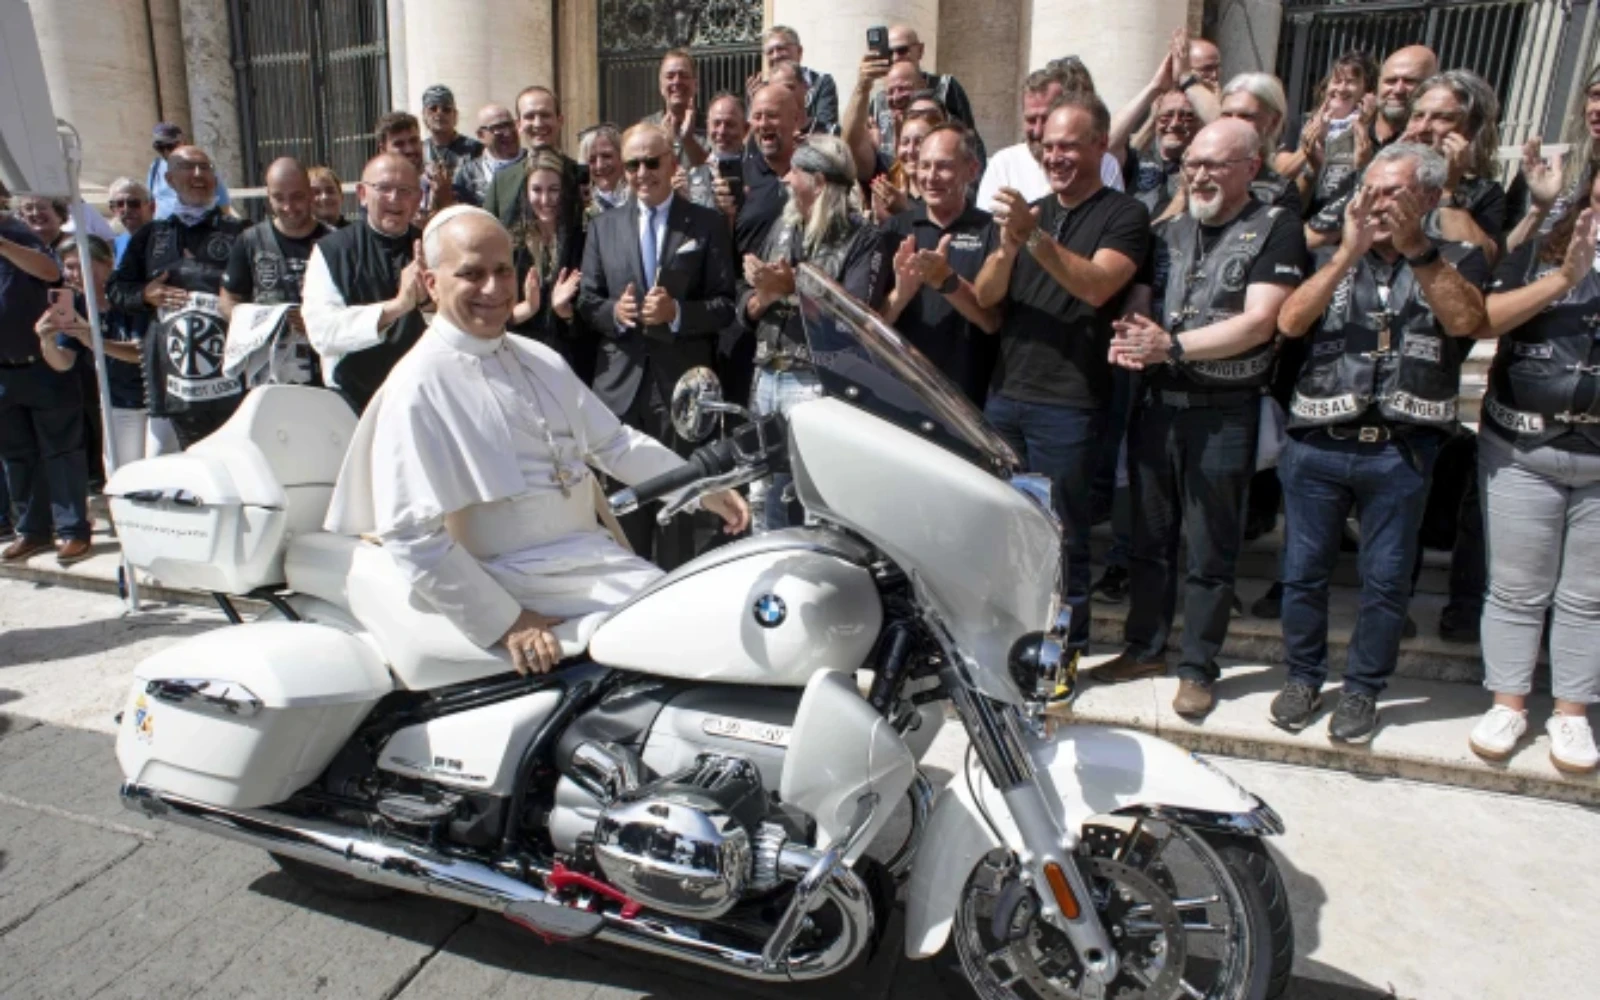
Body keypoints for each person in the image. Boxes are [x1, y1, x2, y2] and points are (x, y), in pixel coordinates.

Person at [324, 206, 748, 674]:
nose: (493, 288)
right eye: (471, 273)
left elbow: (616, 445)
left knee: (715, 610)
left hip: (588, 559)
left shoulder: (537, 357)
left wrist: (700, 489)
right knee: (687, 627)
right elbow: (410, 536)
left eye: (503, 270)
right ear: (430, 283)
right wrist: (507, 622)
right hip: (511, 577)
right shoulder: (418, 384)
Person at [1269, 143, 1490, 742]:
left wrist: (1417, 249)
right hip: (1319, 440)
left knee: (1388, 580)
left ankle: (1364, 689)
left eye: (1394, 191)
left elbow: (1465, 322)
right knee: (1304, 571)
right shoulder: (1331, 255)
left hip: (1400, 448)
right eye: (1372, 188)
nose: (1377, 201)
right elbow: (1289, 323)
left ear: (1430, 196)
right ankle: (1303, 676)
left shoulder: (1459, 257)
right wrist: (1347, 253)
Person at [1096, 119, 1306, 719]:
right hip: (1157, 406)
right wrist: (1131, 333)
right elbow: (1141, 298)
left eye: (1215, 163)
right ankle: (1144, 648)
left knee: (1212, 547)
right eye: (1192, 163)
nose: (1200, 174)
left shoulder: (1275, 227)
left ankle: (1197, 667)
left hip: (1223, 411)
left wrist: (1175, 348)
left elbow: (1262, 320)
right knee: (1147, 539)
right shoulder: (1167, 231)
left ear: (1251, 166)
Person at [972, 95, 1151, 671]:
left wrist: (1034, 239)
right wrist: (1007, 246)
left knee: (1064, 535)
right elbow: (986, 297)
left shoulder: (1125, 214)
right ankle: (1013, 641)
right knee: (1007, 531)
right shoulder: (1033, 212)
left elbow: (1098, 286)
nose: (1056, 156)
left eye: (1069, 144)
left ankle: (1063, 655)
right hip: (1006, 397)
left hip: (1069, 402)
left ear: (1102, 144)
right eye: (1048, 146)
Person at [1468, 173, 1600, 772]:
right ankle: (1509, 703)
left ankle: (1572, 714)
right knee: (1517, 585)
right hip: (1524, 443)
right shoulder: (1544, 243)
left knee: (1588, 596)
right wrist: (1565, 278)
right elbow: (1486, 318)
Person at [577, 123, 738, 568]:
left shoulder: (704, 224)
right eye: (632, 164)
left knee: (683, 509)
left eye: (652, 162)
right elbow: (587, 301)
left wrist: (679, 315)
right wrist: (616, 313)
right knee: (623, 512)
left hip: (681, 390)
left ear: (672, 162)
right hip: (620, 394)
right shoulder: (603, 227)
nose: (642, 172)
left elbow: (727, 305)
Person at [738, 135, 886, 530]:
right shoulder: (781, 228)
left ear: (819, 182)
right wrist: (761, 295)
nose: (785, 180)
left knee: (814, 503)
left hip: (815, 383)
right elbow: (748, 304)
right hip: (767, 375)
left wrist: (792, 289)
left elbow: (852, 320)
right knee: (761, 496)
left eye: (796, 172)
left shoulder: (862, 237)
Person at [108, 145, 248, 448]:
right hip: (174, 385)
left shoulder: (241, 232)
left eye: (205, 167)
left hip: (232, 383)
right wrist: (145, 294)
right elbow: (117, 289)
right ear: (170, 179)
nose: (198, 175)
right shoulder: (150, 236)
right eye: (187, 167)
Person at [1310, 69, 1502, 260]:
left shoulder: (1483, 191)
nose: (1422, 128)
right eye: (1418, 116)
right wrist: (1379, 172)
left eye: (1442, 118)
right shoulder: (1372, 176)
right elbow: (1312, 239)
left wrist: (1448, 191)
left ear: (1471, 129)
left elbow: (1481, 259)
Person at [880, 124, 1000, 403]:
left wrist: (946, 281)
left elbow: (992, 321)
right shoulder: (894, 231)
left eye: (943, 167)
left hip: (969, 397)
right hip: (904, 392)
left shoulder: (991, 231)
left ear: (972, 170)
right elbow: (872, 326)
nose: (931, 177)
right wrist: (900, 295)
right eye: (924, 166)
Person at [301, 153, 428, 412]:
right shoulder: (332, 251)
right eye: (384, 188)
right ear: (361, 193)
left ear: (417, 199)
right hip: (353, 399)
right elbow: (323, 333)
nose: (394, 198)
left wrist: (428, 303)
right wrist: (398, 306)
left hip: (421, 394)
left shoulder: (431, 247)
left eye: (405, 190)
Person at [0, 190, 85, 564]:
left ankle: (71, 530)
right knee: (17, 455)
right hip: (4, 370)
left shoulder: (21, 235)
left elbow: (50, 271)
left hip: (44, 364)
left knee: (61, 451)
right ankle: (32, 530)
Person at [38, 235, 148, 476]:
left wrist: (94, 340)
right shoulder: (74, 302)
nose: (76, 274)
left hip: (153, 399)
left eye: (84, 265)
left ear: (108, 263)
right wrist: (46, 340)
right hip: (116, 401)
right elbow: (64, 362)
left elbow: (142, 353)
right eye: (69, 267)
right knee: (121, 475)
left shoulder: (130, 296)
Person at [219, 158, 331, 386]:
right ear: (268, 196)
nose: (288, 207)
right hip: (268, 376)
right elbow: (228, 298)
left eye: (297, 197)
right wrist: (260, 324)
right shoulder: (250, 241)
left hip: (325, 372)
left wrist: (316, 321)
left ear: (310, 194)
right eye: (279, 198)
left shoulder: (336, 241)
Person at [976, 64, 1126, 212]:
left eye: (1046, 118)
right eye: (1031, 120)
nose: (1037, 131)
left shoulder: (1103, 164)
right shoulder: (1003, 164)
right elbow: (988, 230)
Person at [510, 149, 589, 382]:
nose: (545, 200)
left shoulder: (583, 241)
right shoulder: (512, 244)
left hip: (570, 365)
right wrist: (528, 307)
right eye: (537, 190)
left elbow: (594, 319)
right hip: (522, 363)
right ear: (526, 192)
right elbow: (497, 316)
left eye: (554, 190)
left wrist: (566, 312)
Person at [868, 25, 984, 168]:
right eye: (889, 53)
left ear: (920, 50)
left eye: (902, 50)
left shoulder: (945, 87)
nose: (895, 57)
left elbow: (970, 142)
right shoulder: (878, 101)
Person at [1282, 51, 1380, 218]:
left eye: (1350, 82)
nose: (1341, 89)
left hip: (1340, 220)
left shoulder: (1373, 130)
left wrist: (1364, 127)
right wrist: (1310, 146)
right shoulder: (1302, 122)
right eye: (1336, 81)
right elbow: (1282, 172)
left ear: (1367, 90)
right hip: (1297, 214)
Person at [483, 86, 583, 236]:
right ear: (519, 125)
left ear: (560, 120)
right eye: (530, 116)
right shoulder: (502, 181)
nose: (538, 123)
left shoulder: (580, 175)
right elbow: (488, 234)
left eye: (545, 115)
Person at [718, 83, 802, 258]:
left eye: (772, 115)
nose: (763, 123)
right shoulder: (739, 178)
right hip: (748, 283)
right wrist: (725, 217)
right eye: (757, 116)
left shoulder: (814, 175)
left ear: (795, 120)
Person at [1217, 73, 1304, 215]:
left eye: (1245, 116)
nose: (1233, 123)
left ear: (1273, 121)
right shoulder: (1195, 175)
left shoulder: (1279, 192)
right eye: (1226, 115)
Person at [146, 123, 233, 220]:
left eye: (170, 146)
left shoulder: (202, 167)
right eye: (160, 147)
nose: (166, 152)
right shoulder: (155, 167)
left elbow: (223, 205)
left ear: (183, 142)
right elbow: (150, 202)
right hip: (164, 230)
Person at [761, 25, 838, 134]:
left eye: (781, 49)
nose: (775, 56)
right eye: (770, 52)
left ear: (799, 51)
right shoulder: (761, 90)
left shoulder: (821, 82)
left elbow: (826, 125)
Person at [644, 50, 710, 170]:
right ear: (661, 86)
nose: (677, 81)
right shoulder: (647, 128)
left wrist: (688, 140)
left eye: (683, 76)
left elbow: (714, 169)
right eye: (670, 76)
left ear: (695, 85)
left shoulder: (712, 126)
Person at [452, 104, 526, 209]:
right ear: (481, 135)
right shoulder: (467, 175)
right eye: (499, 127)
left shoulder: (533, 163)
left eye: (510, 125)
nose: (508, 133)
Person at [419, 84, 483, 173]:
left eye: (446, 109)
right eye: (433, 109)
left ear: (455, 115)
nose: (439, 113)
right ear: (424, 115)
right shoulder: (419, 150)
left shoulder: (474, 149)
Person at [579, 124, 628, 214]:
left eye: (607, 156)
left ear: (622, 157)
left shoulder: (640, 200)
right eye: (592, 160)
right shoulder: (581, 207)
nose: (600, 166)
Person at [106, 178, 155, 264]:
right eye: (119, 204)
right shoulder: (115, 246)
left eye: (134, 203)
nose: (127, 209)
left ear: (152, 207)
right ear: (113, 210)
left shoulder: (167, 239)